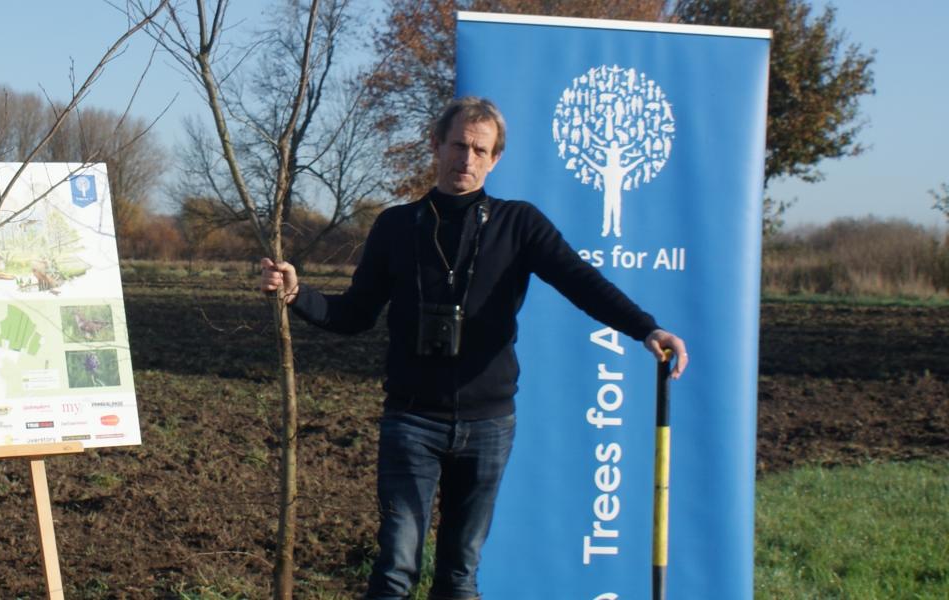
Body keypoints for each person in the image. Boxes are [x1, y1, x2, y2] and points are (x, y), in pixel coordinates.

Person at [258, 97, 688, 600]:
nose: (467, 158)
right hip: (411, 420)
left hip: (489, 425)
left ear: (495, 159)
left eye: (480, 150)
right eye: (459, 145)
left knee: (460, 574)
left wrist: (645, 329)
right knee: (395, 569)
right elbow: (354, 314)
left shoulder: (519, 224)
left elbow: (581, 281)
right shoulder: (396, 226)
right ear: (437, 146)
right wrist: (297, 295)